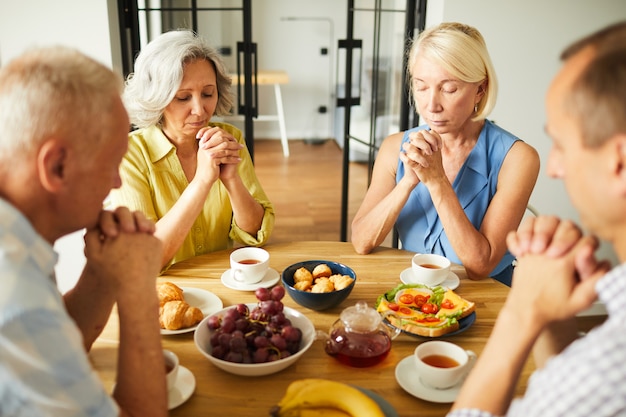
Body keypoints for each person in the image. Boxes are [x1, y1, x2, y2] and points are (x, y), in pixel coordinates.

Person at [448, 21, 626, 416]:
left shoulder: (612, 369)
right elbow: (566, 377)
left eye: (560, 145)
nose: (555, 168)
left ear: (619, 162)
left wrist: (522, 311)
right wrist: (547, 310)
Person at [0, 47, 167, 416]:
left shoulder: (17, 237)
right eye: (111, 163)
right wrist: (138, 292)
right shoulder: (14, 296)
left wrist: (103, 271)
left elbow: (60, 339)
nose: (116, 181)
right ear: (57, 166)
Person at [351, 22, 539, 286]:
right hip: (413, 295)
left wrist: (437, 181)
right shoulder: (395, 147)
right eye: (421, 86)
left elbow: (480, 266)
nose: (431, 106)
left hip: (487, 300)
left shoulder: (518, 158)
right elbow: (361, 241)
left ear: (480, 89)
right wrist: (408, 181)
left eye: (449, 89)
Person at [108, 30, 275, 271]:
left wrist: (232, 179)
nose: (200, 109)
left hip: (220, 285)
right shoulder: (129, 155)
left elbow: (255, 233)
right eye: (183, 97)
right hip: (162, 294)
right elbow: (145, 258)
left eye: (208, 93)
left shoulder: (229, 138)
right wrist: (202, 181)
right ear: (158, 99)